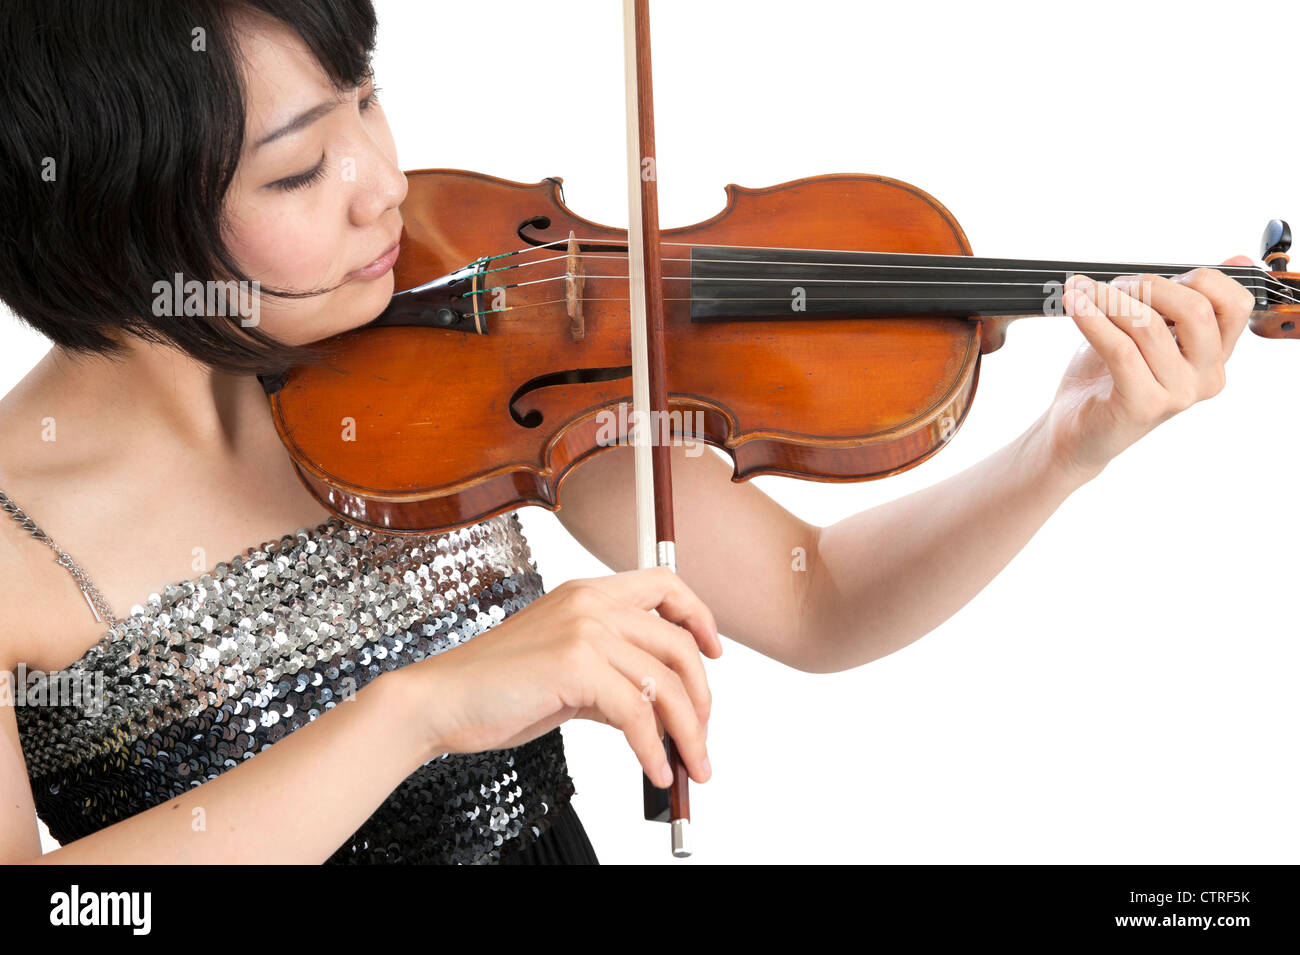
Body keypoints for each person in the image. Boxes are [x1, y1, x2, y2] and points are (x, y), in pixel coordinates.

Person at [0, 0, 1258, 865]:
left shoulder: (465, 354)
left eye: (367, 104)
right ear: (118, 224)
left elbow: (814, 600)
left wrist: (1063, 448)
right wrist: (419, 709)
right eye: (293, 173)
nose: (382, 184)